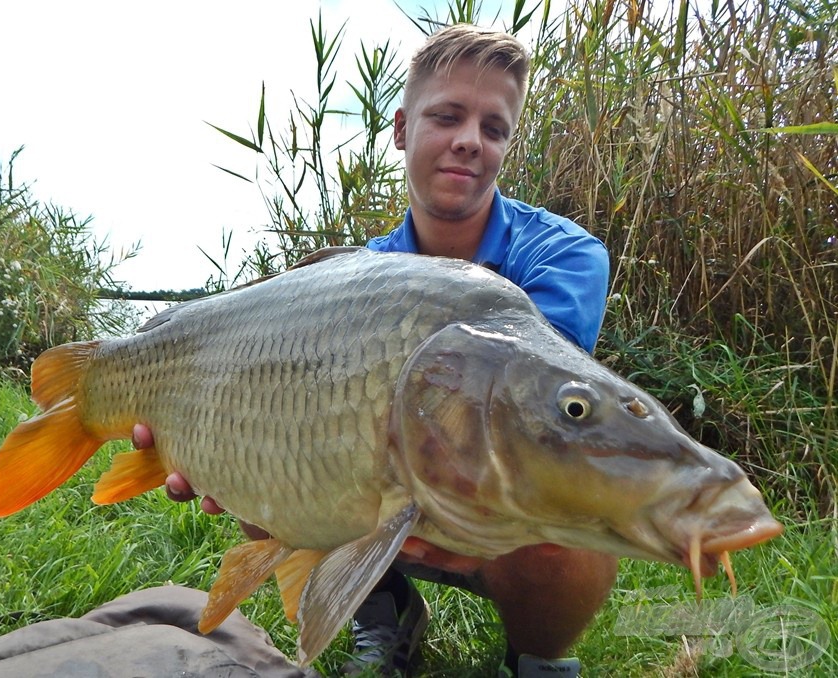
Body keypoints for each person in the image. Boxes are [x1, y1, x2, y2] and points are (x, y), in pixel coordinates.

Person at [149, 23, 616, 678]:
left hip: (496, 520)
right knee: (267, 444)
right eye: (448, 116)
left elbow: (525, 418)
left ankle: (538, 658)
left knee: (569, 486)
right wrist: (207, 439)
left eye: (494, 127)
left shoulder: (563, 256)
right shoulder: (352, 279)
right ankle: (385, 611)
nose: (468, 140)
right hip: (375, 507)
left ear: (507, 144)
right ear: (400, 130)